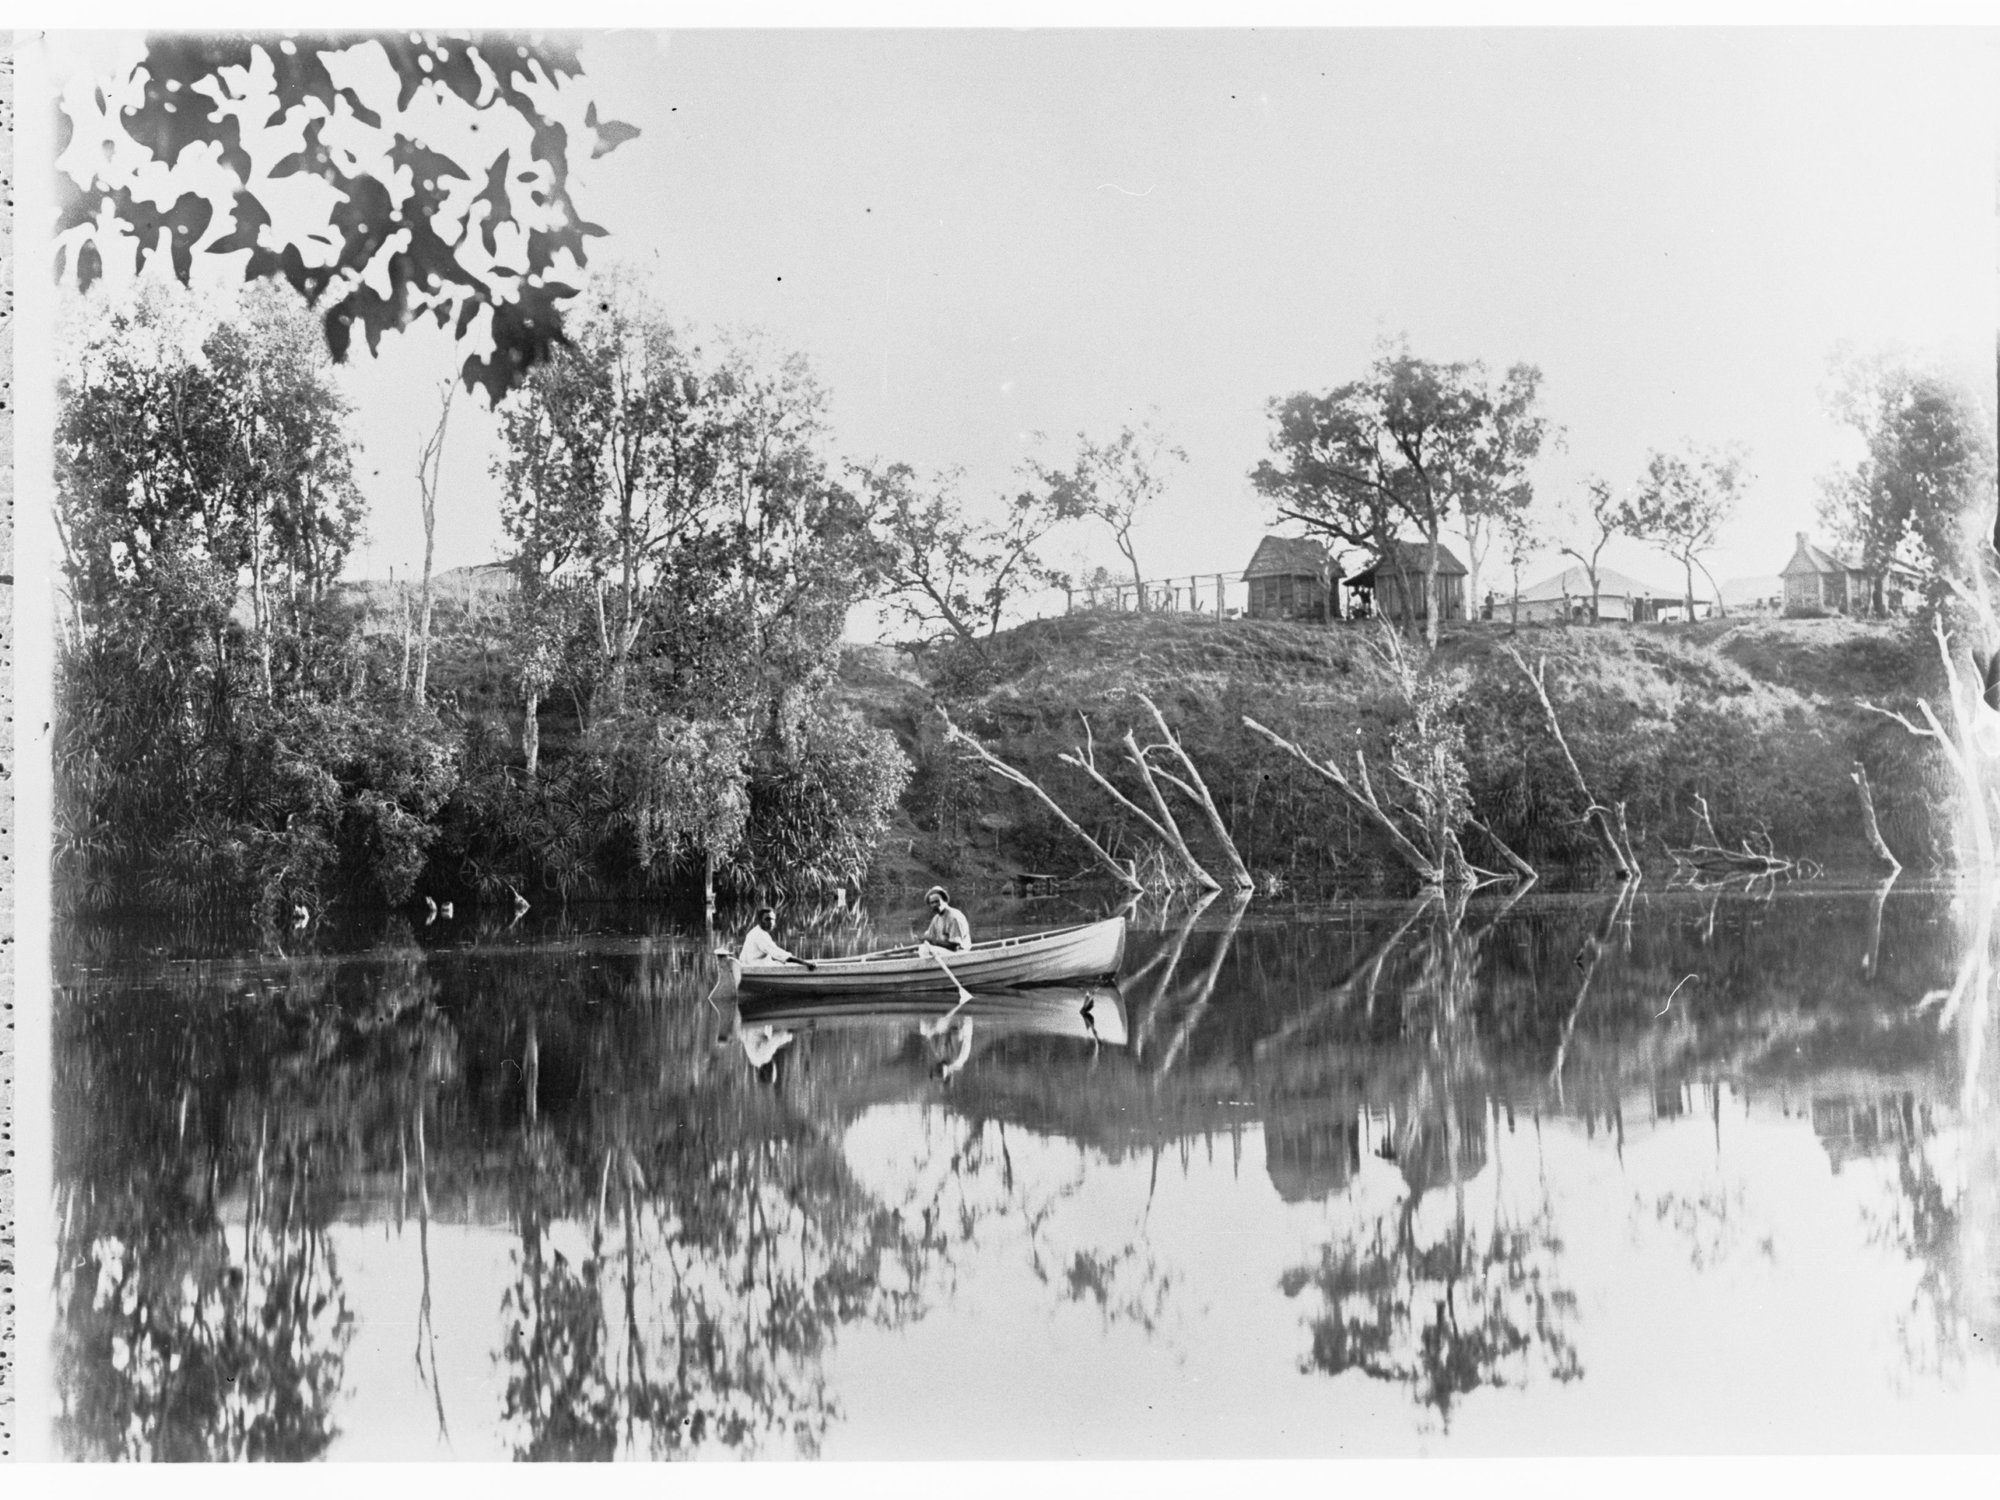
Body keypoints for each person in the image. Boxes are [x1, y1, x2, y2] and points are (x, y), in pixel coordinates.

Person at [739, 906, 816, 970]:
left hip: (749, 966)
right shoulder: (760, 935)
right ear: (760, 920)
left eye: (773, 919)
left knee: (781, 962)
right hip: (755, 968)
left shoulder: (754, 931)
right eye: (767, 919)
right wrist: (805, 963)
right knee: (784, 962)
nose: (771, 922)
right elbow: (778, 954)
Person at [921, 886, 971, 952]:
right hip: (945, 951)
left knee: (924, 950)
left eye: (937, 901)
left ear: (944, 900)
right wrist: (923, 939)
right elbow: (929, 937)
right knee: (923, 948)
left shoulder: (954, 917)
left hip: (959, 952)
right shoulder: (936, 919)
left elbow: (955, 946)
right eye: (932, 903)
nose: (935, 905)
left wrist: (933, 941)